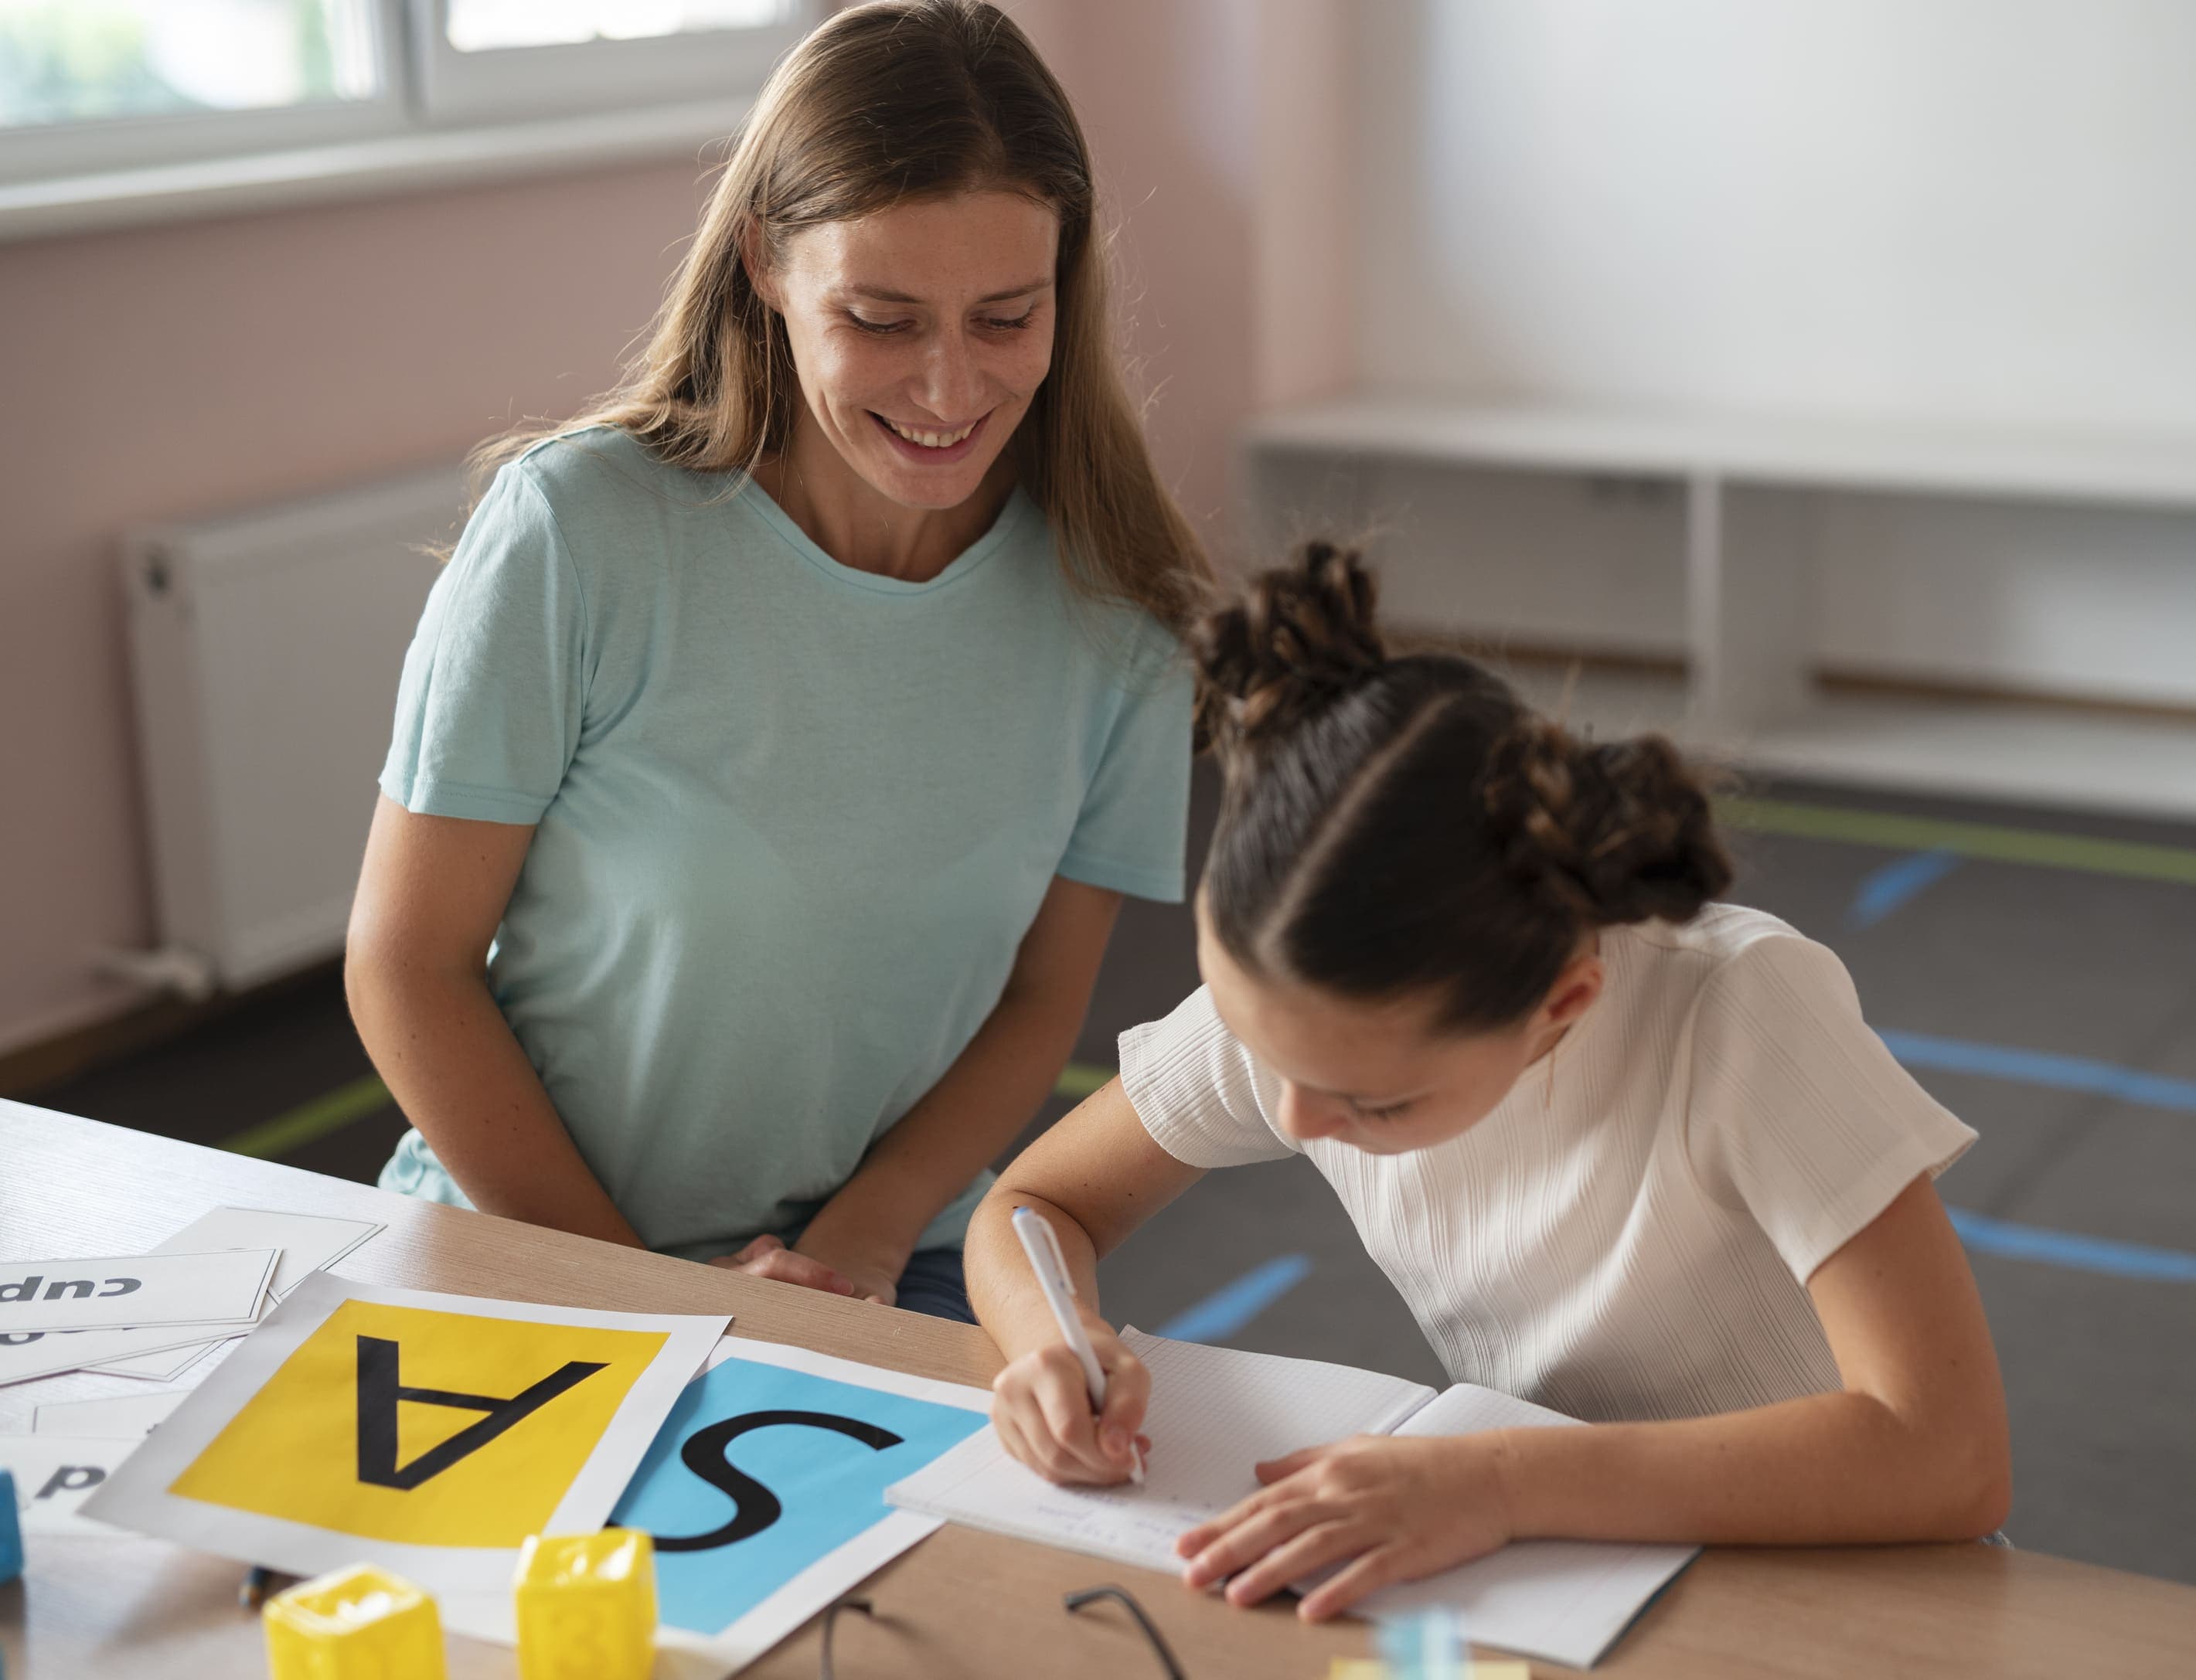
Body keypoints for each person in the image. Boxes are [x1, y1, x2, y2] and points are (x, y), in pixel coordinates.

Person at [346, 0, 1207, 1323]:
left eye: (1003, 317)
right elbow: (407, 962)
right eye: (881, 317)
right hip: (533, 1241)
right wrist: (640, 1292)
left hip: (878, 1255)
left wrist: (862, 1240)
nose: (948, 389)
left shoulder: (1119, 610)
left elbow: (1038, 1003)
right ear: (764, 261)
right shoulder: (577, 532)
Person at [969, 542, 2010, 1616]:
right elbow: (1033, 1205)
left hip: (1848, 1569)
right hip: (1575, 1559)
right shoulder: (1300, 998)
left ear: (1561, 1002)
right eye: (1259, 1047)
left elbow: (1947, 1452)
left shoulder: (1738, 1006)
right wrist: (1054, 1340)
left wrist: (1500, 1481)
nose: (1292, 1114)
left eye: (1373, 1101)